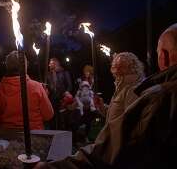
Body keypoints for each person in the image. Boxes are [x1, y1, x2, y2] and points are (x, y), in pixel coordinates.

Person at [34, 23, 177, 169]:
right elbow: (120, 115)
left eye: (116, 66)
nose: (112, 68)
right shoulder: (123, 86)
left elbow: (126, 133)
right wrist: (103, 107)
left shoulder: (136, 90)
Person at [0, 50, 54, 130]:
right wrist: (45, 96)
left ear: (7, 66)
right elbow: (48, 115)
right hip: (34, 136)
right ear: (25, 66)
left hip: (8, 136)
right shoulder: (36, 87)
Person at [95, 52, 145, 121]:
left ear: (132, 67)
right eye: (115, 66)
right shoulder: (121, 86)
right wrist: (102, 106)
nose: (116, 70)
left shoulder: (133, 89)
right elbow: (115, 116)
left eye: (121, 66)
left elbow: (129, 123)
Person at [47, 57, 73, 129]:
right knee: (52, 118)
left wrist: (66, 93)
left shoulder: (64, 73)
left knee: (62, 119)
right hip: (52, 99)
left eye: (50, 63)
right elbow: (48, 87)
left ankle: (62, 135)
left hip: (62, 99)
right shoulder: (48, 75)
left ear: (55, 64)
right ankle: (52, 135)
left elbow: (69, 85)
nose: (49, 65)